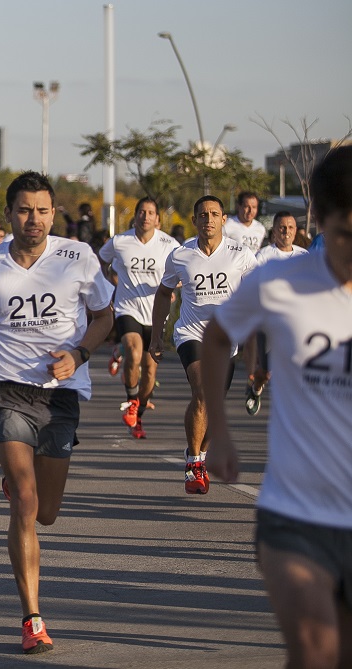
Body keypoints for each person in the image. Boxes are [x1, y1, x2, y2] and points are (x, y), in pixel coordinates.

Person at [0, 172, 113, 654]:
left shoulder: (77, 257)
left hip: (61, 392)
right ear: (8, 215)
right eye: (24, 210)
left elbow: (104, 316)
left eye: (42, 210)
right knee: (25, 501)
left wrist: (78, 355)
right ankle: (32, 618)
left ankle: (22, 487)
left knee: (48, 513)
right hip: (5, 390)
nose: (34, 219)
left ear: (54, 212)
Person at [202, 145, 352, 669]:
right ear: (319, 221)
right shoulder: (279, 282)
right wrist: (218, 431)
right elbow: (217, 338)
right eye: (345, 236)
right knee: (315, 651)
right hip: (296, 513)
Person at [149, 195, 256, 495]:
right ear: (194, 220)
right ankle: (194, 463)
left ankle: (199, 454)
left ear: (224, 219)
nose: (208, 219)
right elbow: (163, 293)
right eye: (202, 214)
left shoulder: (241, 254)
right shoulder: (180, 256)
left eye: (214, 214)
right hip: (191, 334)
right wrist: (157, 335)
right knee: (204, 393)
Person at [97, 197, 180, 438]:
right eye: (141, 212)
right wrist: (110, 284)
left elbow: (182, 269)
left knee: (150, 372)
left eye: (150, 212)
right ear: (135, 216)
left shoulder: (169, 244)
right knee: (133, 351)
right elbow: (101, 261)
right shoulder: (120, 242)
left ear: (157, 219)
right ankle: (132, 401)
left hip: (156, 314)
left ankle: (139, 415)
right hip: (127, 307)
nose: (145, 216)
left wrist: (172, 288)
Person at [244, 211, 310, 415]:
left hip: (295, 322)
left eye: (290, 227)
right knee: (266, 372)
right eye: (282, 227)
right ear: (275, 231)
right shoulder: (264, 256)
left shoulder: (303, 255)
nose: (286, 231)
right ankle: (255, 389)